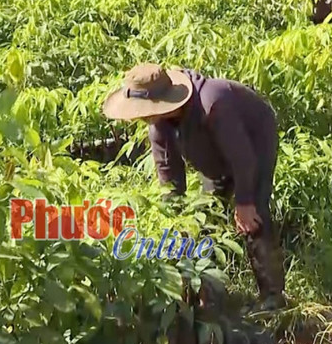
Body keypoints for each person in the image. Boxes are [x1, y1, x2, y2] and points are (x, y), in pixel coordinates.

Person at [102, 63, 286, 311]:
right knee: (207, 216)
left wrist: (243, 201)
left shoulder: (213, 103)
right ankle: (209, 296)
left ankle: (273, 297)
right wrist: (176, 223)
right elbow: (170, 181)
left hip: (253, 142)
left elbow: (244, 158)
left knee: (253, 215)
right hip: (212, 152)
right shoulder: (159, 126)